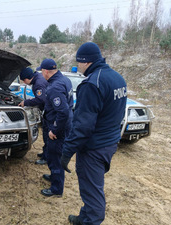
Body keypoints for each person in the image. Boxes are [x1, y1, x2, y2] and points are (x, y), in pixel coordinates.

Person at [61, 42, 127, 225]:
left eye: (78, 62)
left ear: (85, 61)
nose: (78, 65)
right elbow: (118, 113)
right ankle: (84, 217)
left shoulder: (92, 84)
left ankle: (92, 220)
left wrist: (67, 152)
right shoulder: (117, 78)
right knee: (92, 184)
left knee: (92, 189)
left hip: (94, 148)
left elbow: (82, 126)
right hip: (109, 142)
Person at [39, 58, 74, 197]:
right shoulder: (65, 79)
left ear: (46, 71)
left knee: (55, 156)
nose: (41, 74)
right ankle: (54, 176)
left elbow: (63, 112)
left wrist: (55, 130)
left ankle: (56, 189)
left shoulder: (55, 87)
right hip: (62, 123)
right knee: (52, 154)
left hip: (58, 126)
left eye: (41, 71)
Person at [18, 67, 48, 165]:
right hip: (48, 109)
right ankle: (46, 153)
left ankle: (47, 157)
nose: (24, 82)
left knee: (47, 135)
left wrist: (26, 102)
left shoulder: (38, 83)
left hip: (49, 111)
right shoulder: (38, 78)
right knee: (46, 134)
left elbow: (41, 99)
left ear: (27, 78)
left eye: (23, 80)